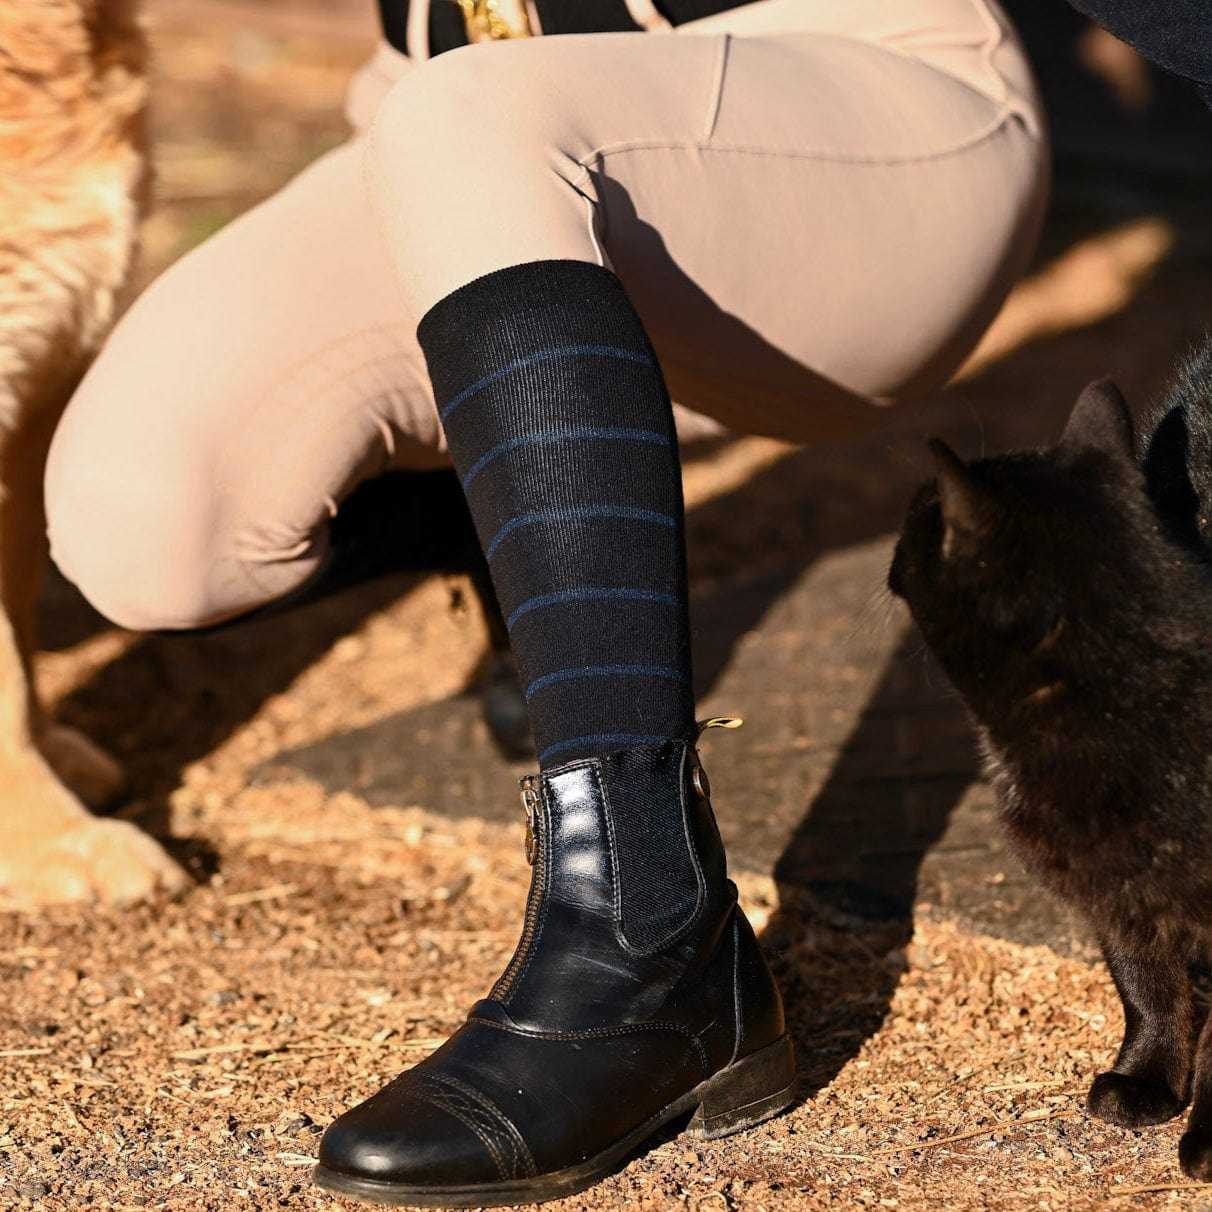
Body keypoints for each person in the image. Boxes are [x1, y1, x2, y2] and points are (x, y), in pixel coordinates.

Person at [43, 0, 1048, 1204]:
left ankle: (651, 932)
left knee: (475, 115)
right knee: (146, 527)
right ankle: (532, 517)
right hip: (449, 114)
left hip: (858, 105)